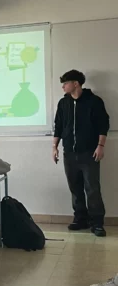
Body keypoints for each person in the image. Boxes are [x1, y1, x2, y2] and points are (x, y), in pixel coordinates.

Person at [53, 70, 110, 237]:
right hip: (69, 153)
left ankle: (97, 223)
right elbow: (58, 125)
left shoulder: (94, 101)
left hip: (89, 153)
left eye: (65, 83)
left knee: (92, 189)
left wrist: (100, 146)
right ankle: (80, 219)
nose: (63, 87)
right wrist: (54, 147)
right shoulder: (63, 103)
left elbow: (103, 125)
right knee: (75, 188)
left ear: (76, 83)